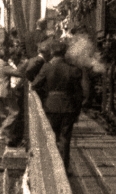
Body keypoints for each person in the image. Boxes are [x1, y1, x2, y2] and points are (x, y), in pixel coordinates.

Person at [32, 39, 87, 171]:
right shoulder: (73, 70)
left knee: (51, 137)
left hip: (50, 106)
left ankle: (50, 167)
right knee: (65, 139)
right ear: (65, 53)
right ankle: (63, 168)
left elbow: (35, 85)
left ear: (52, 52)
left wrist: (47, 95)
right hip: (68, 107)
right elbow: (79, 94)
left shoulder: (46, 67)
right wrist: (77, 110)